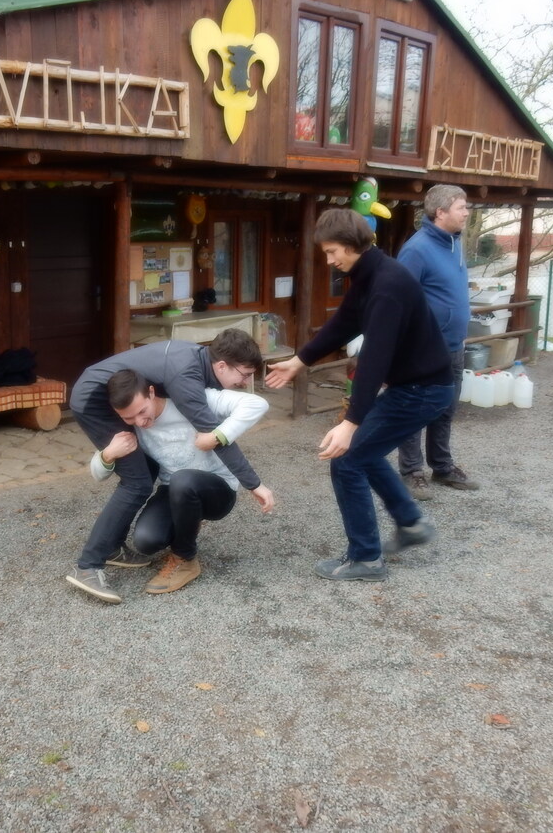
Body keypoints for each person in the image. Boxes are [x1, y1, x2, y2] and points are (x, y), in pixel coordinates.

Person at [265, 208, 454, 582]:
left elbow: (374, 360)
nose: (329, 260)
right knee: (364, 454)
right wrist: (299, 361)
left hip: (423, 390)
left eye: (332, 251)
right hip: (416, 386)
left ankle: (366, 558)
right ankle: (411, 523)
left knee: (348, 459)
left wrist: (350, 423)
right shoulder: (368, 275)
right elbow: (343, 323)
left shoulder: (387, 285)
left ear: (352, 244)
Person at [67, 328, 275, 603]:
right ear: (221, 365)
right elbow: (215, 437)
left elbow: (242, 415)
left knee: (147, 476)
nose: (245, 382)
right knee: (137, 483)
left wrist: (219, 440)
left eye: (142, 412)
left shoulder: (191, 372)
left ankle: (118, 549)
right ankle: (89, 565)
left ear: (152, 393)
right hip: (91, 398)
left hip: (204, 484)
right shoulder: (181, 382)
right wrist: (107, 454)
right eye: (245, 374)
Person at [395, 184, 479, 500]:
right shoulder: (416, 250)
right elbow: (399, 301)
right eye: (461, 207)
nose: (467, 213)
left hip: (454, 345)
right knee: (415, 409)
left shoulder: (456, 243)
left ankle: (442, 467)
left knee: (446, 408)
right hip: (423, 349)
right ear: (440, 212)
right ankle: (412, 472)